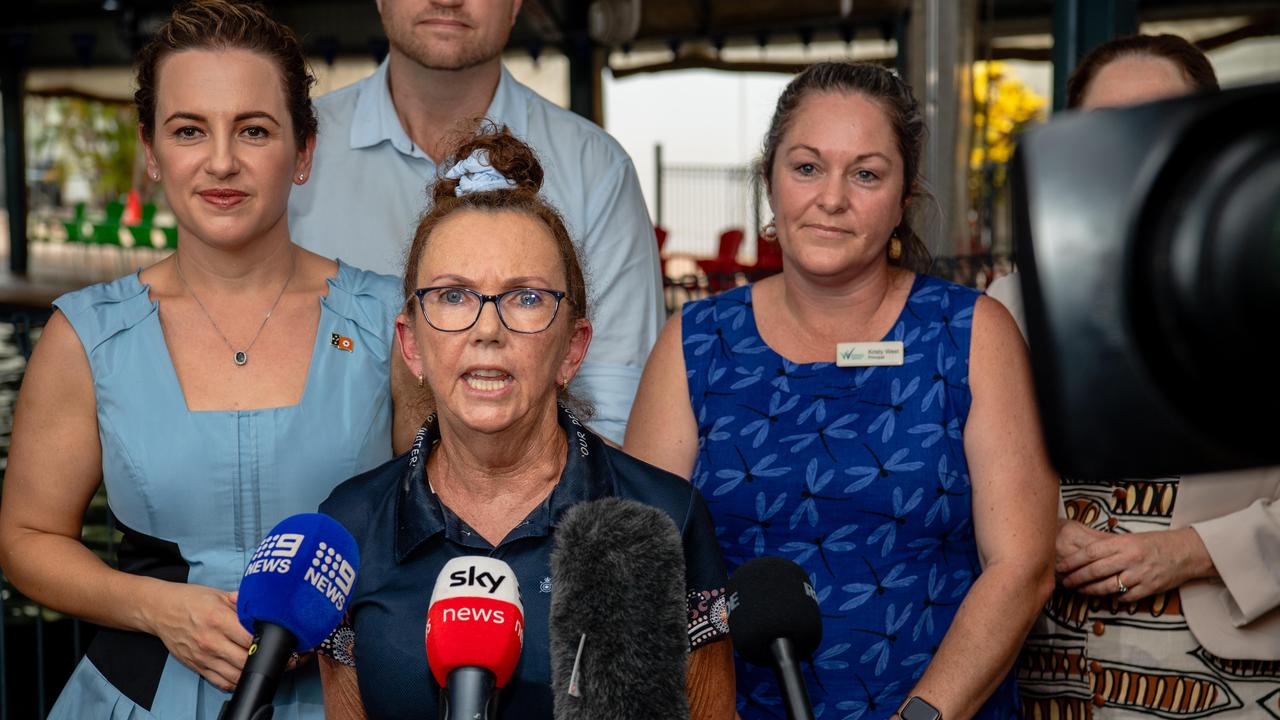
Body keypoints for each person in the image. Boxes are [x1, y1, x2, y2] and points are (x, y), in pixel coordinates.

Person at [0, 2, 404, 717]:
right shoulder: (86, 336)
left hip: (347, 697)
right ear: (153, 154)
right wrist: (156, 607)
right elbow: (27, 540)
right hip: (139, 698)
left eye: (254, 130)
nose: (222, 161)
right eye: (189, 131)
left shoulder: (388, 321)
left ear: (304, 153)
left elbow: (443, 527)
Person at [625, 61, 1058, 719]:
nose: (832, 198)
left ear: (904, 196)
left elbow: (1022, 566)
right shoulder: (696, 343)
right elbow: (646, 571)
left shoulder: (972, 335)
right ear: (769, 178)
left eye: (865, 173)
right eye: (806, 167)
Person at [314, 127, 735, 720]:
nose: (488, 329)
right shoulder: (350, 526)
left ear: (572, 349)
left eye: (527, 298)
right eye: (454, 296)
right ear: (411, 345)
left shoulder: (663, 518)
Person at [995, 35, 1280, 719]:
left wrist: (1195, 551)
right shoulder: (1004, 307)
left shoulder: (1266, 298)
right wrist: (1028, 528)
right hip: (1038, 669)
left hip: (1225, 675)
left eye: (1159, 119)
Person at [288, 0, 662, 444]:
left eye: (525, 297)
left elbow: (617, 418)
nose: (447, 0)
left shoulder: (595, 167)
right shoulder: (288, 148)